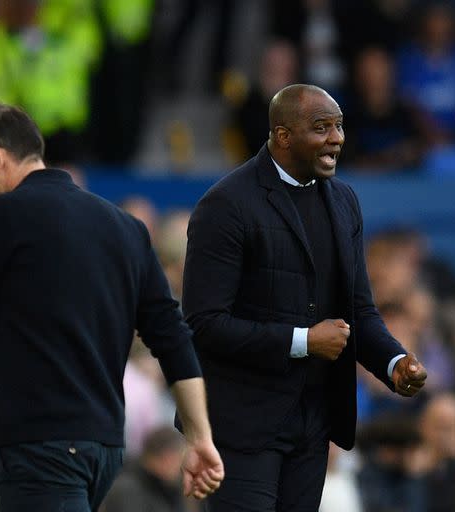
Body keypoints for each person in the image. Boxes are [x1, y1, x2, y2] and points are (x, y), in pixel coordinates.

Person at [0, 103, 223, 511]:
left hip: (41, 447)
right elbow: (173, 338)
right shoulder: (125, 228)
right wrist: (200, 437)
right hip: (103, 448)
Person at [182, 83, 427, 511]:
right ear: (283, 136)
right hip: (242, 427)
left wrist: (393, 362)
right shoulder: (225, 205)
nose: (336, 138)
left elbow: (359, 311)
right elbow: (204, 324)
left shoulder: (345, 202)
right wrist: (303, 342)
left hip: (312, 424)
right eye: (321, 127)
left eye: (339, 126)